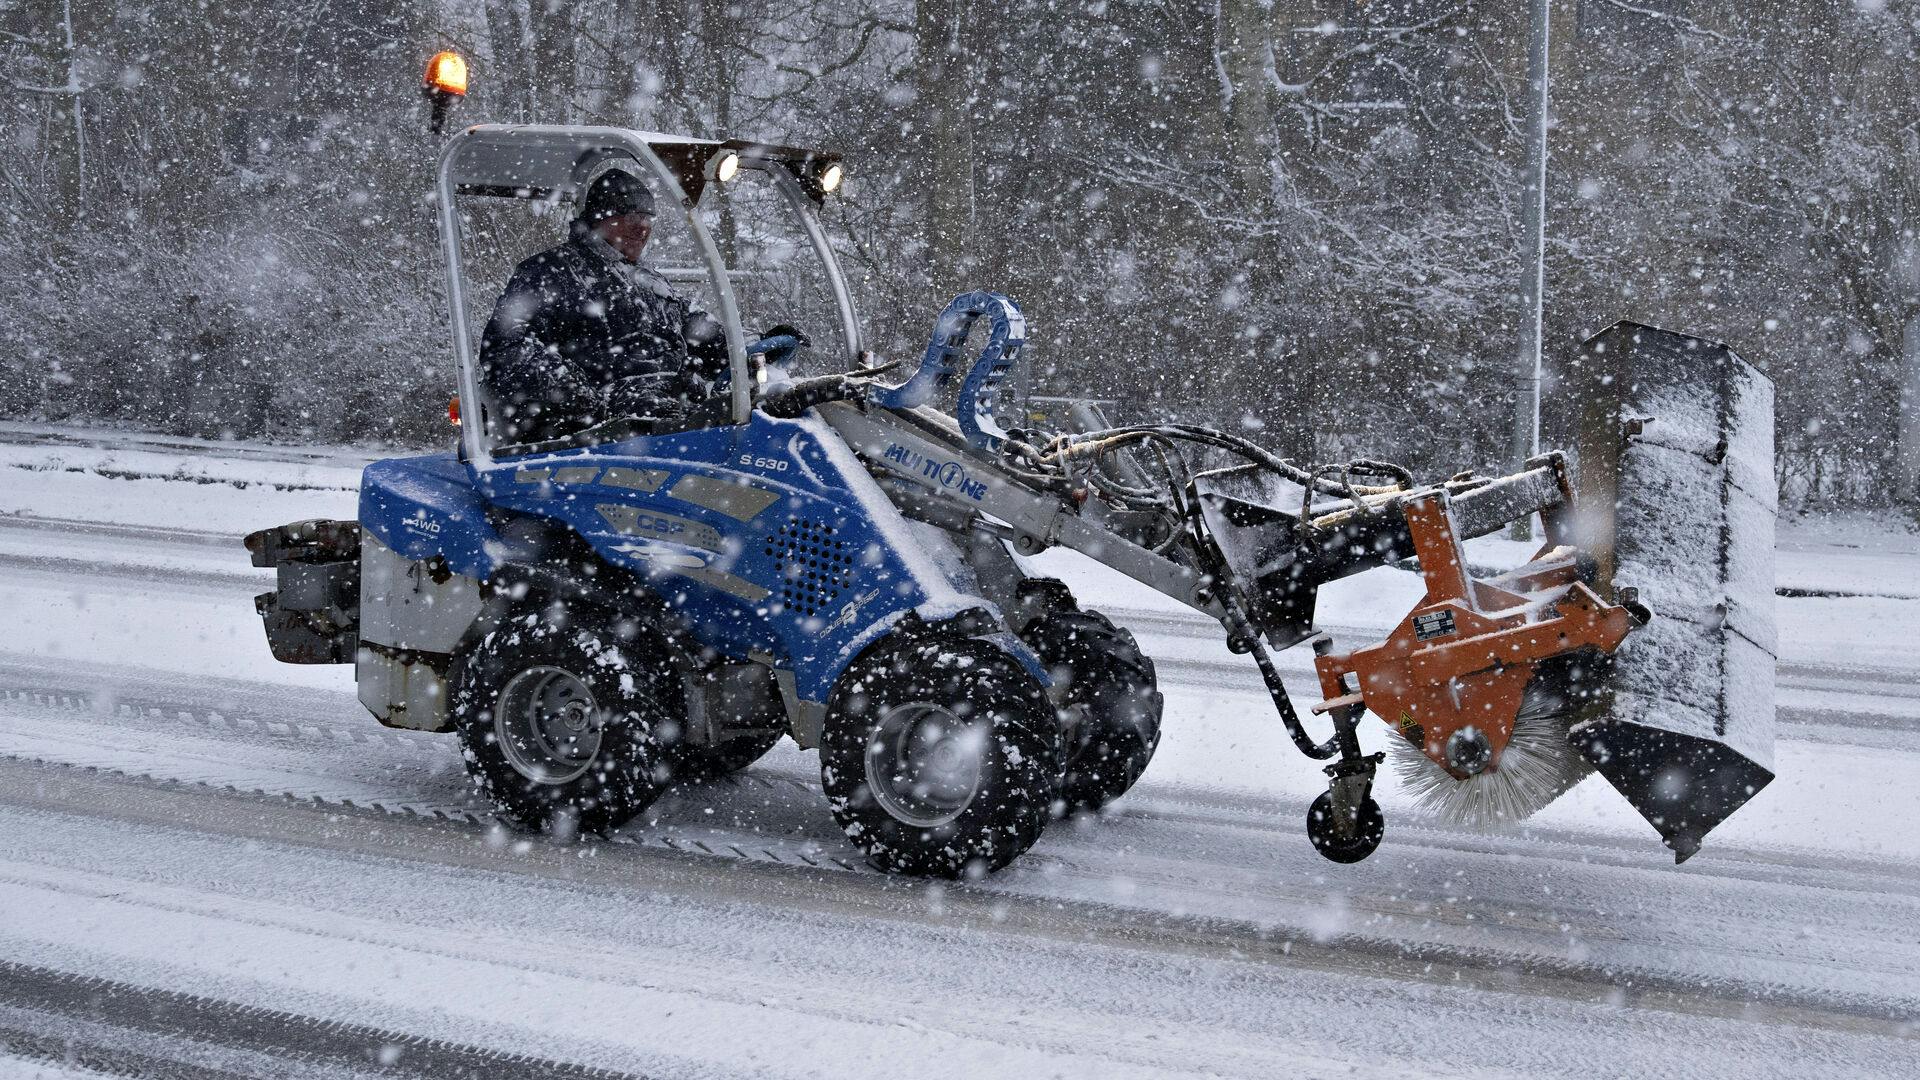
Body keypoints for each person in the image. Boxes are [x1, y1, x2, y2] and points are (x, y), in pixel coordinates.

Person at [477, 169, 730, 445]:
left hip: (675, 421)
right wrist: (590, 402)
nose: (642, 227)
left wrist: (743, 354)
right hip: (597, 438)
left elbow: (697, 332)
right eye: (632, 217)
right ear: (600, 219)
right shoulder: (551, 273)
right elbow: (507, 350)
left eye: (647, 218)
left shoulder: (649, 281)